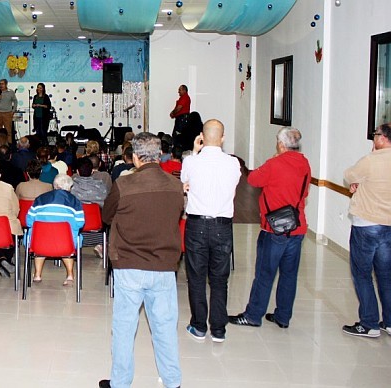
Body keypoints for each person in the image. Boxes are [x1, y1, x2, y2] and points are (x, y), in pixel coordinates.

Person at [99, 132, 184, 388]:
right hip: (164, 265)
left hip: (129, 264)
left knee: (124, 328)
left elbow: (106, 216)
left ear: (135, 158)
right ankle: (173, 381)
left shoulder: (124, 185)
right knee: (165, 328)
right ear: (160, 155)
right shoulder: (176, 185)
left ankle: (120, 382)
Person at [229, 127, 311, 330]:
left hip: (274, 228)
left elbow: (253, 179)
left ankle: (253, 315)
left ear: (281, 144)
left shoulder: (275, 164)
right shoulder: (304, 163)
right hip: (297, 226)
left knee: (265, 273)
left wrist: (272, 160)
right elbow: (305, 191)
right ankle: (283, 316)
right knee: (289, 275)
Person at [180, 120, 241, 343]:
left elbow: (184, 181)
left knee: (196, 277)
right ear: (223, 138)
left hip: (196, 224)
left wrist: (195, 151)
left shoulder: (191, 161)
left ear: (202, 137)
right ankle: (218, 329)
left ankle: (198, 326)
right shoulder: (233, 163)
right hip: (222, 226)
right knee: (219, 278)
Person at [341, 123, 391, 338]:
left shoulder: (371, 160)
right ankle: (389, 322)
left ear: (383, 138)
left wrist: (357, 182)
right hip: (388, 226)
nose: (373, 138)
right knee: (386, 276)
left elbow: (349, 174)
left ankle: (369, 323)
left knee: (362, 274)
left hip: (366, 226)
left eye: (375, 135)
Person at [26, 174, 84, 285]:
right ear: (70, 187)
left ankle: (37, 275)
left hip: (39, 242)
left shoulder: (40, 199)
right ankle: (70, 275)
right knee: (70, 238)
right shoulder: (75, 201)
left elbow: (29, 222)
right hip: (66, 243)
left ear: (54, 185)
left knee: (39, 237)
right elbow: (80, 223)